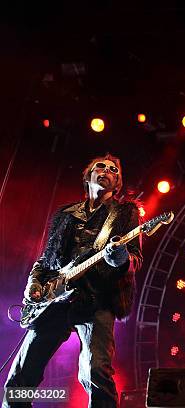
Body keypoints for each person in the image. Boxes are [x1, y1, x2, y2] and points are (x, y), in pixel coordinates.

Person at [3, 154, 142, 408]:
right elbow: (46, 259)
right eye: (101, 166)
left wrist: (119, 257)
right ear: (88, 175)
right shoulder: (66, 214)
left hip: (96, 298)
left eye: (113, 170)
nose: (107, 170)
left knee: (96, 372)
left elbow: (134, 259)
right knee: (23, 373)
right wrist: (34, 284)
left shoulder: (124, 214)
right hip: (57, 297)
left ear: (117, 183)